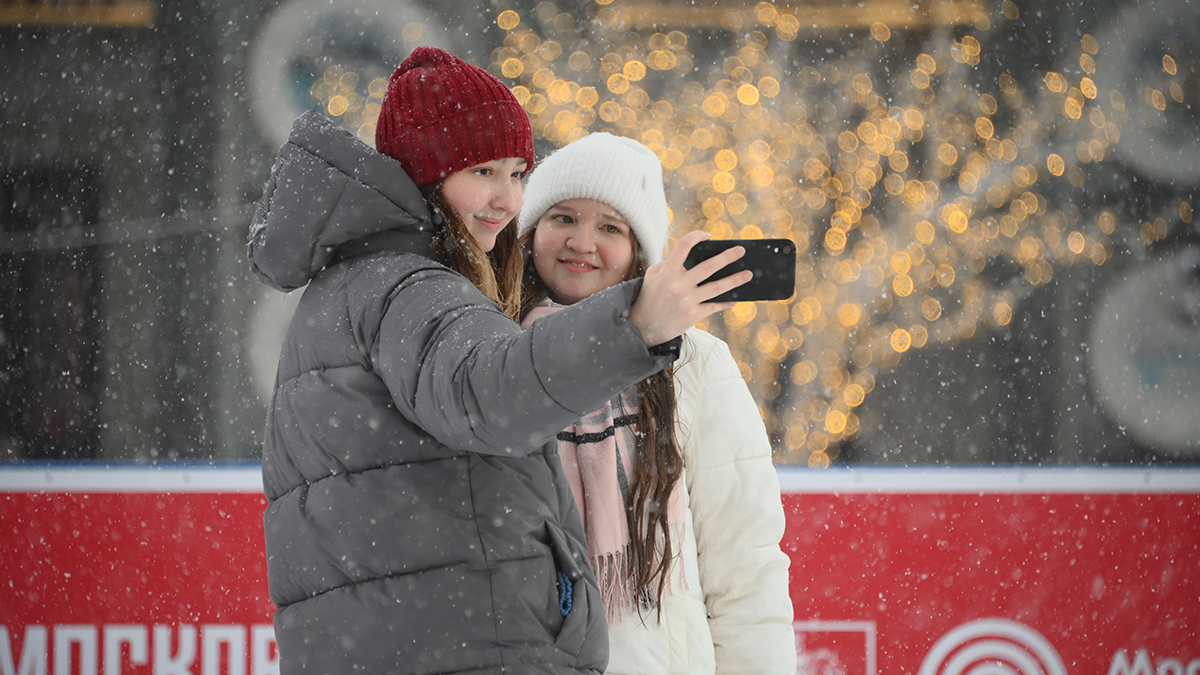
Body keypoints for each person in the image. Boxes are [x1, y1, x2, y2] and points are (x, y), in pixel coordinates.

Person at [247, 47, 749, 675]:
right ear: (426, 172)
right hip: (454, 646)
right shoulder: (410, 288)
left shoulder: (362, 281)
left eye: (518, 173)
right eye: (482, 171)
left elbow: (744, 567)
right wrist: (638, 323)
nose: (506, 199)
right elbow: (490, 392)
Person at [517, 132, 796, 675]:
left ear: (638, 252)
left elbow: (743, 564)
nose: (582, 242)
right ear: (531, 232)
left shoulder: (693, 364)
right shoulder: (492, 356)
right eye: (563, 218)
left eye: (610, 227)